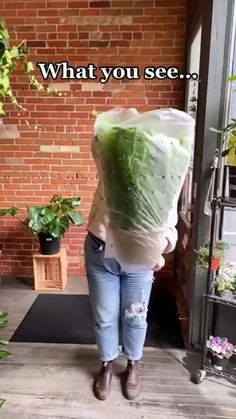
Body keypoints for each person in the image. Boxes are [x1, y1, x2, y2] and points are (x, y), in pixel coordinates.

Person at [84, 132, 178, 401]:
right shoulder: (111, 165)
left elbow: (170, 224)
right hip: (101, 250)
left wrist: (160, 249)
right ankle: (106, 364)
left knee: (135, 316)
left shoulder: (166, 179)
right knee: (105, 315)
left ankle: (133, 364)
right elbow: (97, 142)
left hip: (139, 257)